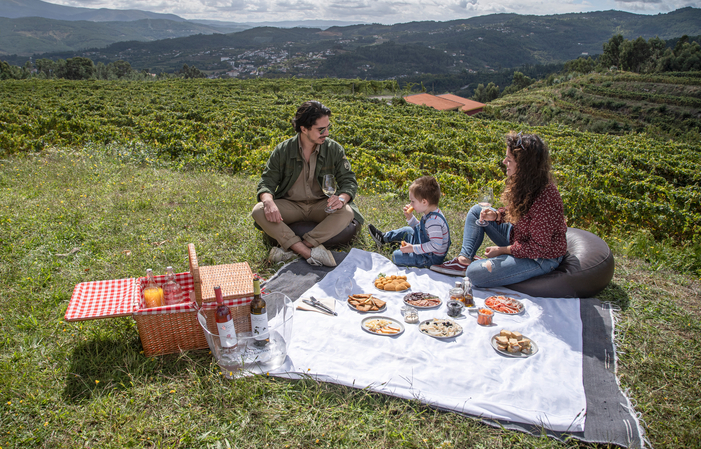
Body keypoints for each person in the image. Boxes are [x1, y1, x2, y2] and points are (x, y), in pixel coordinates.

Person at [430, 132, 567, 288]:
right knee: (477, 211)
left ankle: (477, 266)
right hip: (520, 237)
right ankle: (464, 260)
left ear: (524, 165)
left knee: (474, 274)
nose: (504, 162)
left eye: (509, 159)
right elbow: (518, 212)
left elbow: (538, 248)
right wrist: (496, 215)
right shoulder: (529, 182)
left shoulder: (546, 199)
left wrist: (502, 251)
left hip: (540, 258)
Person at [252, 100, 363, 267]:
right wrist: (268, 202)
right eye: (321, 130)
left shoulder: (334, 149)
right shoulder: (283, 150)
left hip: (322, 205)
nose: (326, 133)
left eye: (327, 128)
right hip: (291, 206)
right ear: (304, 129)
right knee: (259, 210)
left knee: (347, 212)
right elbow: (267, 182)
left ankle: (293, 250)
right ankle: (308, 253)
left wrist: (341, 198)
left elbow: (349, 181)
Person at [368, 176, 451, 268]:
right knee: (407, 230)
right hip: (424, 247)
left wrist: (413, 249)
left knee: (396, 256)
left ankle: (399, 246)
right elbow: (422, 231)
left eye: (413, 201)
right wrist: (410, 218)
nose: (411, 204)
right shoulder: (431, 214)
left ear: (424, 202)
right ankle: (384, 238)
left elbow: (436, 245)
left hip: (430, 258)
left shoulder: (433, 221)